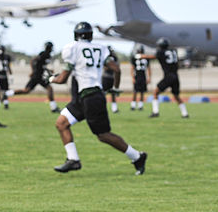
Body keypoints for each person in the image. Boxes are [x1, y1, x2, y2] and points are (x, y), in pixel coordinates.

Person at [50, 22, 147, 175]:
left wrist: (51, 79)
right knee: (61, 123)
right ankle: (73, 160)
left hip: (90, 97)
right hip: (85, 97)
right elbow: (116, 68)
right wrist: (115, 87)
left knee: (103, 135)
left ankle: (137, 156)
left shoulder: (72, 48)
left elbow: (62, 79)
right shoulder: (100, 48)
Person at [7, 41, 58, 112]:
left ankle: (54, 107)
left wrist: (48, 70)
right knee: (26, 90)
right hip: (37, 76)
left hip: (40, 76)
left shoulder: (47, 55)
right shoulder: (44, 54)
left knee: (47, 88)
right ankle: (7, 93)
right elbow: (33, 60)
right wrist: (33, 71)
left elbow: (41, 66)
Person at [145, 37, 188, 118]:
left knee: (155, 92)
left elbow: (153, 56)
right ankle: (185, 113)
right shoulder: (173, 51)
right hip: (175, 76)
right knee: (176, 96)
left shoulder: (161, 52)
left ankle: (155, 112)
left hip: (168, 76)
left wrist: (142, 56)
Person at [130, 46, 149, 110]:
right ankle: (133, 105)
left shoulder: (146, 58)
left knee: (142, 91)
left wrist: (149, 77)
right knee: (135, 91)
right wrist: (133, 77)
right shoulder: (135, 58)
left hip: (143, 76)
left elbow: (149, 68)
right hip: (137, 76)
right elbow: (132, 68)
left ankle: (140, 106)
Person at [102, 46, 120, 113]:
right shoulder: (105, 57)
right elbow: (105, 68)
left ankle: (114, 108)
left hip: (111, 77)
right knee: (103, 94)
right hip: (106, 77)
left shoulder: (114, 58)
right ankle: (102, 107)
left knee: (113, 93)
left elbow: (117, 67)